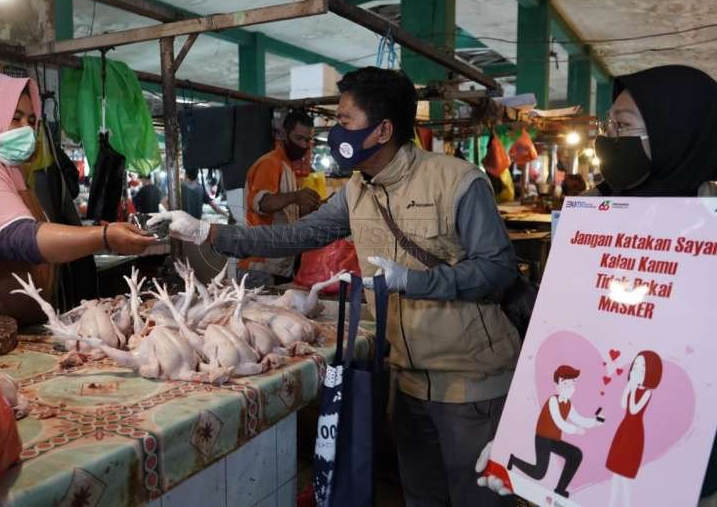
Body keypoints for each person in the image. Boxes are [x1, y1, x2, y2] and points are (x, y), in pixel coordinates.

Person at [150, 67, 521, 506]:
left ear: (382, 129)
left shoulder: (457, 181)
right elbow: (297, 234)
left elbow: (498, 269)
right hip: (406, 379)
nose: (335, 133)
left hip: (469, 381)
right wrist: (207, 233)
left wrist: (416, 282)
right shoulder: (358, 189)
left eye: (345, 121)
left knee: (476, 500)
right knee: (422, 497)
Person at [477, 65, 717, 505]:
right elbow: (570, 333)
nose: (606, 139)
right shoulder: (595, 217)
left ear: (675, 131)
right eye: (607, 126)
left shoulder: (708, 232)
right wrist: (516, 439)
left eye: (621, 127)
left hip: (688, 475)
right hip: (587, 462)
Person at [0, 73, 155, 327]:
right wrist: (105, 236)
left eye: (31, 120)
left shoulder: (4, 167)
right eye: (15, 118)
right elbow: (22, 240)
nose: (28, 130)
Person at [236, 109, 322, 287]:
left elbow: (287, 214)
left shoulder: (288, 168)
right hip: (258, 267)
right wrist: (295, 196)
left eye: (307, 140)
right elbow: (262, 203)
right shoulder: (269, 163)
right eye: (299, 138)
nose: (304, 145)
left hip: (278, 266)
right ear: (283, 134)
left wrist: (318, 206)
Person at [507, 365, 603, 498]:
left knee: (575, 454)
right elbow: (559, 422)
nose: (570, 387)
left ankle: (560, 489)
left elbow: (579, 419)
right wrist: (575, 430)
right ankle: (514, 460)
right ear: (558, 386)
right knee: (539, 473)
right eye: (565, 383)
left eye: (572, 383)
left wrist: (594, 422)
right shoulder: (553, 400)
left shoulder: (568, 403)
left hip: (553, 439)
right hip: (542, 437)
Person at [606, 351, 663, 507]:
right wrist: (629, 387)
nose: (636, 370)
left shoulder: (647, 392)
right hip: (624, 429)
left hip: (634, 433)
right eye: (635, 366)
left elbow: (634, 409)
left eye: (641, 367)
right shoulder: (632, 387)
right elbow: (623, 404)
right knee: (615, 474)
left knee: (624, 476)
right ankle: (611, 503)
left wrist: (632, 387)